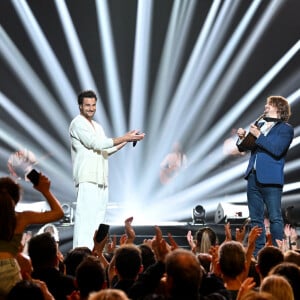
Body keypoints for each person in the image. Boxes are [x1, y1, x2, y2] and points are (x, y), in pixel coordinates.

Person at [69, 90, 145, 249]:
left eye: (93, 105)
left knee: (98, 225)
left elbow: (106, 149)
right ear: (80, 107)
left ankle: (95, 257)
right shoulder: (77, 123)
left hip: (101, 181)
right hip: (87, 179)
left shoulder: (97, 126)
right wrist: (125, 137)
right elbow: (95, 144)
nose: (91, 108)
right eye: (87, 105)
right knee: (85, 224)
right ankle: (80, 257)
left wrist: (128, 139)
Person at [237, 96, 294, 256]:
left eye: (269, 104)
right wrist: (242, 138)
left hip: (271, 178)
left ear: (278, 108)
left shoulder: (286, 129)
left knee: (275, 217)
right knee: (255, 219)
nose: (265, 106)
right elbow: (244, 148)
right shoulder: (261, 125)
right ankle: (257, 254)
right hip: (253, 177)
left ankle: (277, 252)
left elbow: (277, 150)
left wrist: (258, 136)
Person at [0, 175, 64, 298]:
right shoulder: (22, 218)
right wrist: (45, 190)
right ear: (16, 198)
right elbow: (59, 213)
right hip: (9, 269)